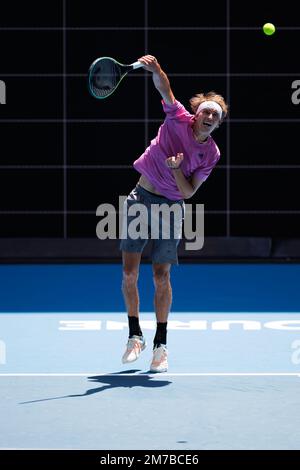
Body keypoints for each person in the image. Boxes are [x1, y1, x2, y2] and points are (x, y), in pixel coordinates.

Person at [120, 55, 228, 372]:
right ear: (195, 115)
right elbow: (165, 90)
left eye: (216, 115)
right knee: (129, 273)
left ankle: (160, 345)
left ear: (218, 123)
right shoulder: (177, 118)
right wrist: (156, 68)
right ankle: (134, 336)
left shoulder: (211, 153)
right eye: (206, 111)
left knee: (160, 275)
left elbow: (189, 191)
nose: (209, 116)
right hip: (141, 198)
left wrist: (177, 169)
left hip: (171, 207)